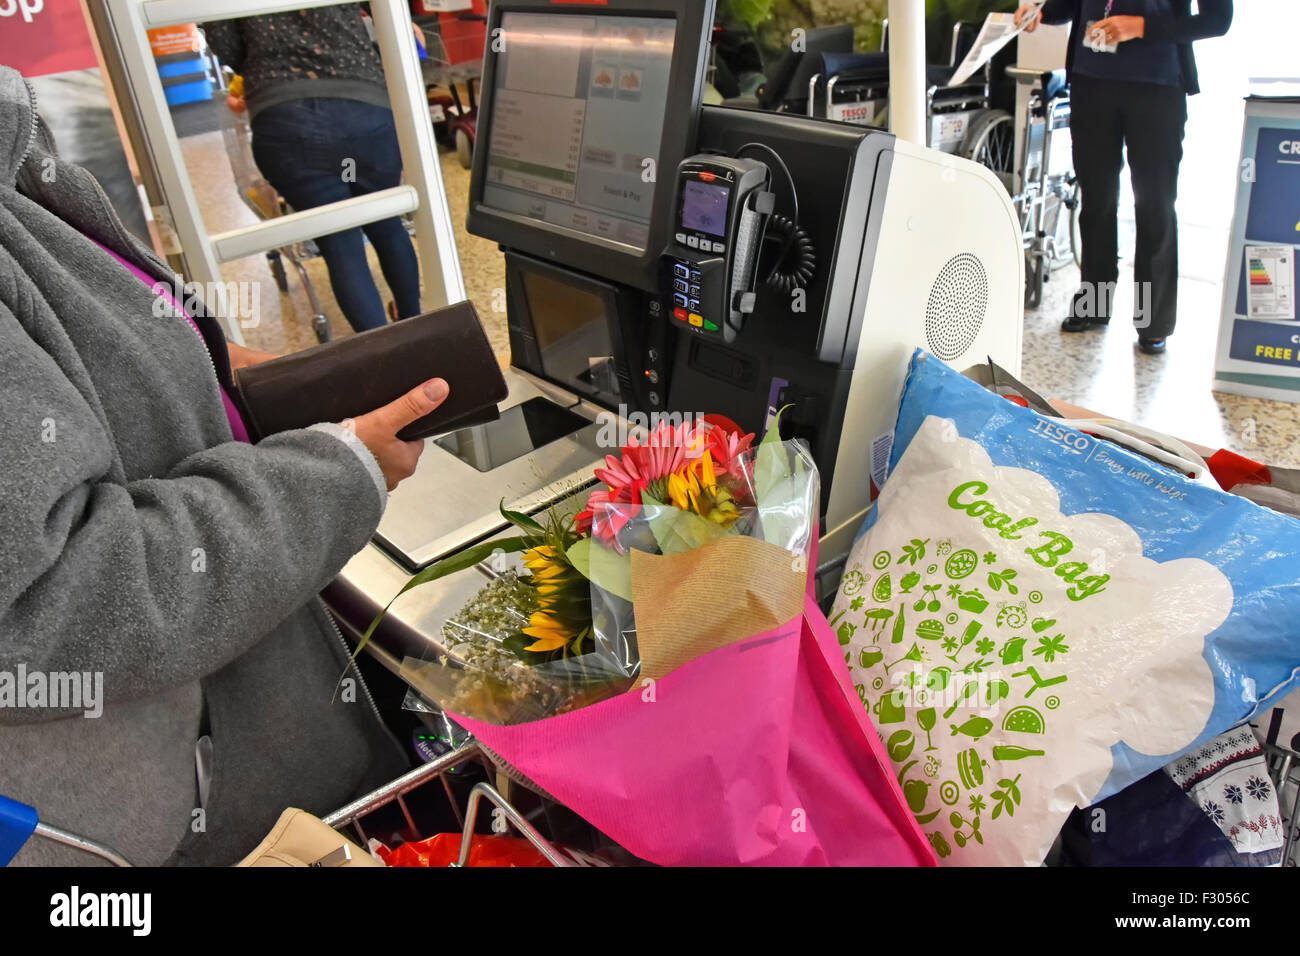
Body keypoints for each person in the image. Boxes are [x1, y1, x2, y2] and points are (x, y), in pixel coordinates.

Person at [0, 64, 448, 865]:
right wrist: (336, 477)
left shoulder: (17, 153)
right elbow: (47, 603)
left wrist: (219, 368)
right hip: (173, 819)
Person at [1015, 1, 1233, 354]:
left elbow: (1218, 20)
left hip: (1158, 90)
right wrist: (1045, 13)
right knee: (1096, 202)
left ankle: (1152, 322)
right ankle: (1095, 306)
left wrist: (1141, 27)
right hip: (1092, 86)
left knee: (1154, 207)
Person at [203, 6, 423, 333]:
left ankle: (385, 354)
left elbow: (229, 46)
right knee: (387, 223)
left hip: (286, 117)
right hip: (364, 108)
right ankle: (417, 328)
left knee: (340, 244)